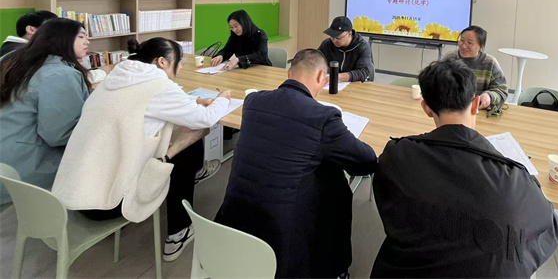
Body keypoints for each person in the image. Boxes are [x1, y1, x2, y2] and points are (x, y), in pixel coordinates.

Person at [371, 58, 558, 278]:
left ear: (426, 108)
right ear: (475, 104)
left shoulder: (397, 155)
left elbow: (390, 207)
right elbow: (550, 229)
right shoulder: (517, 180)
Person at [53, 38, 233, 262]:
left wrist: (193, 99)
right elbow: (204, 118)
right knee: (189, 140)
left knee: (175, 133)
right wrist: (222, 99)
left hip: (73, 195)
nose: (179, 69)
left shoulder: (116, 77)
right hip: (108, 203)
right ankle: (178, 232)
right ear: (162, 62)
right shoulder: (159, 87)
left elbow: (151, 102)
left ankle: (195, 174)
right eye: (178, 63)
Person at [215, 49, 378, 278]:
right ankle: (334, 268)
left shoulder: (253, 101)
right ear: (321, 76)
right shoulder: (323, 117)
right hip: (280, 238)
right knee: (336, 184)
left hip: (231, 220)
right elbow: (366, 162)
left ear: (289, 73)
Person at [0, 18, 90, 205]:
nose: (87, 42)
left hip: (7, 156)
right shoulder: (60, 74)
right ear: (62, 38)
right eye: (81, 36)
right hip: (25, 166)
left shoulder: (12, 60)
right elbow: (58, 134)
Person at [444, 25, 508, 109]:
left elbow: (502, 90)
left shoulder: (490, 63)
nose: (463, 46)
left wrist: (489, 96)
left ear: (481, 47)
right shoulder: (450, 57)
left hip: (478, 110)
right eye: (462, 40)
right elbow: (436, 82)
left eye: (470, 43)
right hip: (450, 109)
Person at [318, 16, 374, 82]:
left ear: (349, 34)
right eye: (332, 37)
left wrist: (337, 76)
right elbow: (317, 60)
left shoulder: (362, 46)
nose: (334, 40)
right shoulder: (327, 44)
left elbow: (363, 72)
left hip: (355, 83)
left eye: (337, 38)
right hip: (333, 83)